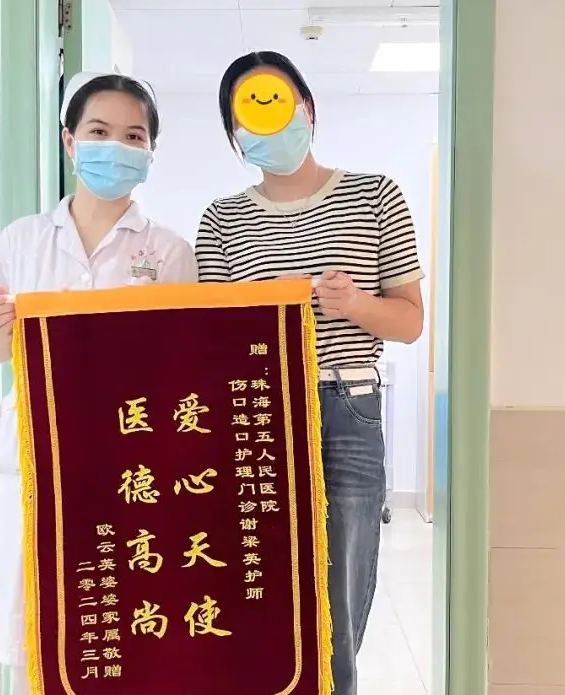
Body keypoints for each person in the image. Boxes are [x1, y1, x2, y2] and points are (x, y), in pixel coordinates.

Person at [195, 51, 425, 695]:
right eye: (248, 115)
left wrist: (353, 305)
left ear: (309, 110)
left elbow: (409, 321)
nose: (266, 125)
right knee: (258, 584)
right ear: (233, 134)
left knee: (338, 598)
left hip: (346, 406)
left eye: (277, 104)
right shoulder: (220, 218)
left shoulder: (376, 194)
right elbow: (212, 339)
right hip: (258, 414)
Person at [0, 72, 197, 695]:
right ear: (70, 142)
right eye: (99, 131)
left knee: (127, 616)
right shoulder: (22, 241)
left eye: (134, 136)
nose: (115, 146)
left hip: (134, 456)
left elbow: (183, 364)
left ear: (150, 152)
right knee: (38, 620)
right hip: (38, 452)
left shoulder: (170, 251)